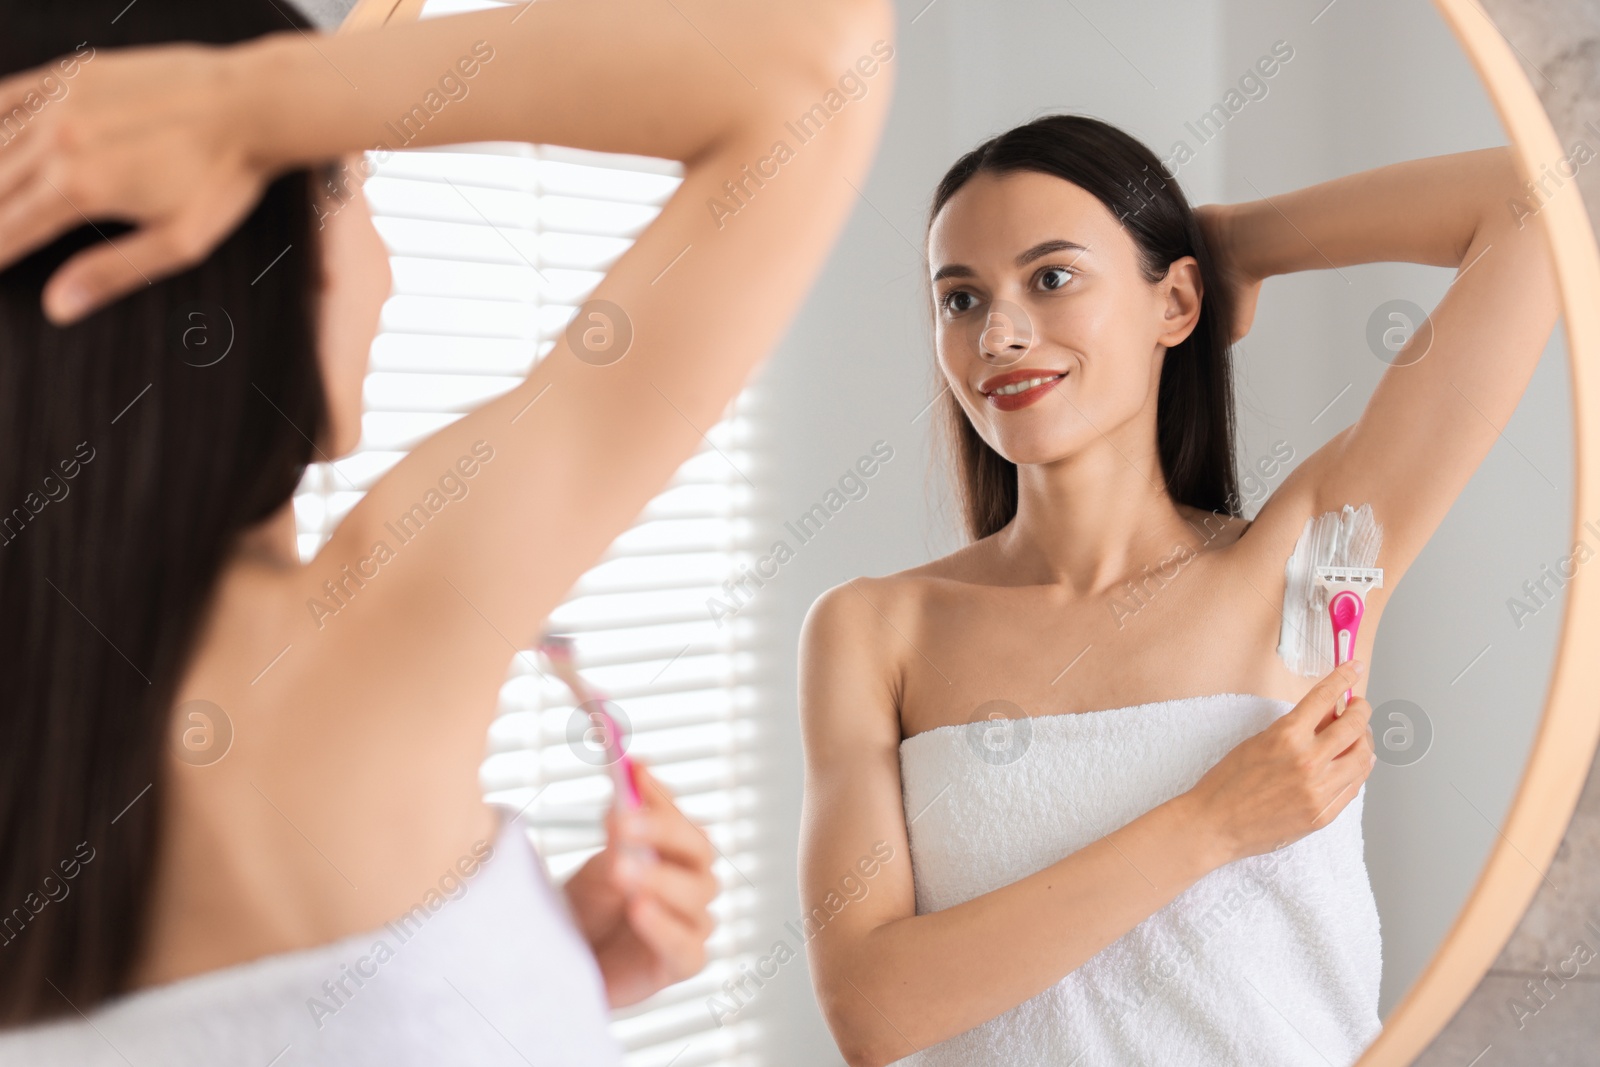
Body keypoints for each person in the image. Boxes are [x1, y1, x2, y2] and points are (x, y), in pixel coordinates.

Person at [0, 0, 892, 1062]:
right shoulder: (352, 652)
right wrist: (245, 102)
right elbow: (820, 58)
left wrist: (518, 969)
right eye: (348, 189)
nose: (386, 269)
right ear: (251, 251)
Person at [797, 115, 1559, 1065]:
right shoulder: (876, 631)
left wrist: (1240, 241)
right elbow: (873, 1009)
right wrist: (1209, 824)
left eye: (1052, 277)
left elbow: (1539, 201)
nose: (998, 331)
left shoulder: (1312, 564)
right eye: (960, 298)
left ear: (1177, 304)